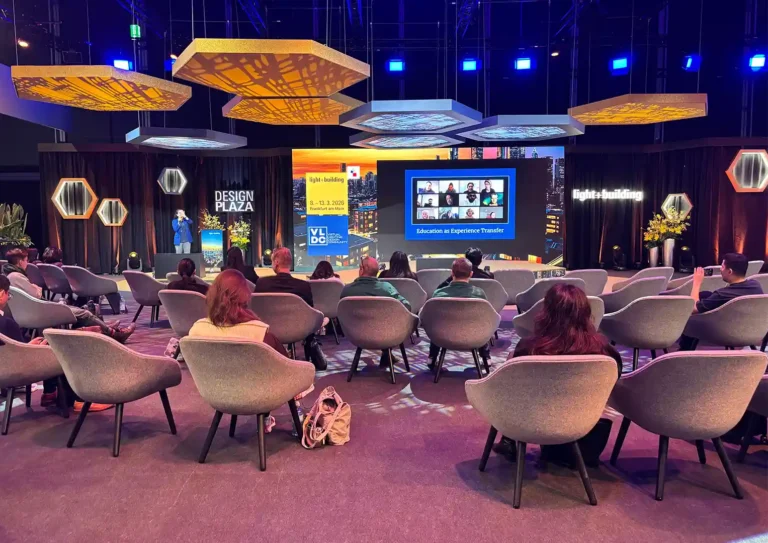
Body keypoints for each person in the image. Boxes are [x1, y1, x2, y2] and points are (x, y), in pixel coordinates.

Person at [494, 284, 622, 465]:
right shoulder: (605, 352)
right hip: (584, 422)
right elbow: (614, 380)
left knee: (507, 381)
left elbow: (511, 384)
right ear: (585, 312)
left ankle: (508, 440)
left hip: (534, 422)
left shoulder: (528, 348)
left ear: (546, 312)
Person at [189, 269, 294, 433]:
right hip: (257, 395)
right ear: (244, 296)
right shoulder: (260, 333)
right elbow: (289, 370)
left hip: (216, 394)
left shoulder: (196, 330)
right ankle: (275, 415)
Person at [0, 274, 111, 412]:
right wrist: (34, 348)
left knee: (49, 344)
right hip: (17, 370)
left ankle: (50, 393)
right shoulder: (6, 323)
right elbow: (19, 355)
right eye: (8, 294)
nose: (8, 298)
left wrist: (30, 345)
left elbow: (13, 347)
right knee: (65, 349)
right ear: (1, 294)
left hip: (5, 369)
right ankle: (78, 400)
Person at [2, 249, 135, 343]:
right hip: (40, 311)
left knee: (79, 311)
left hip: (35, 310)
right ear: (20, 262)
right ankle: (114, 333)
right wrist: (37, 288)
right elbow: (36, 294)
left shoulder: (9, 275)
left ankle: (104, 328)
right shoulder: (16, 276)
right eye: (26, 260)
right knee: (84, 313)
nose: (27, 263)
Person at [253, 247, 327, 370]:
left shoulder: (262, 283)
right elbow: (310, 313)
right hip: (297, 331)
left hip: (269, 331)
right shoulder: (304, 286)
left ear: (276, 262)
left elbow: (256, 309)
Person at [679, 253, 764, 349]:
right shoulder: (755, 285)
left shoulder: (722, 294)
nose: (720, 269)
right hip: (753, 329)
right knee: (705, 295)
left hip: (727, 331)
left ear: (730, 271)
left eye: (722, 267)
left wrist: (696, 282)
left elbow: (693, 308)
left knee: (690, 318)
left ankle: (684, 349)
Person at [341, 256, 412, 367]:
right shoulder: (386, 289)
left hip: (356, 335)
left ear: (361, 269)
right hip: (386, 335)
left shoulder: (347, 290)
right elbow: (406, 306)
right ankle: (386, 353)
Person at [427, 258, 489, 367]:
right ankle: (486, 358)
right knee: (482, 322)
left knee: (438, 322)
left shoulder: (439, 294)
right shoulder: (479, 294)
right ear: (471, 274)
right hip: (474, 336)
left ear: (452, 273)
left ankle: (432, 357)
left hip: (443, 336)